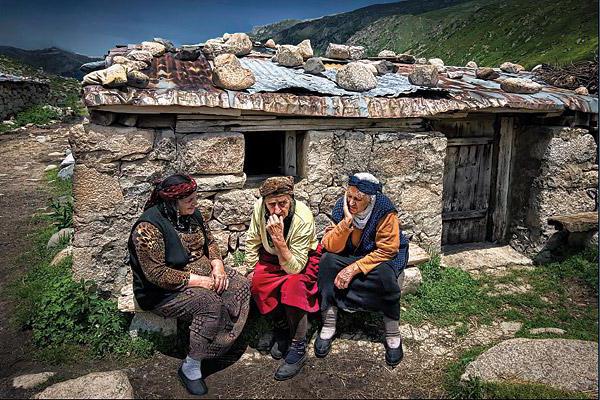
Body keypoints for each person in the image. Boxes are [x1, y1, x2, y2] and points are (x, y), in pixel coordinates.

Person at [127, 174, 250, 396]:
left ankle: (220, 342)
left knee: (240, 284)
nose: (195, 203)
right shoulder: (148, 228)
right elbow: (156, 274)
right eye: (189, 200)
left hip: (203, 272)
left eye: (195, 197)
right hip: (162, 291)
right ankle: (191, 366)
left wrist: (218, 265)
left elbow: (210, 242)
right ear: (172, 202)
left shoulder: (193, 215)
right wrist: (202, 282)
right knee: (209, 303)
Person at [315, 172, 409, 367]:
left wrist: (354, 269)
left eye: (358, 199)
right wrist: (347, 222)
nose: (351, 202)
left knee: (385, 276)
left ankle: (392, 332)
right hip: (350, 253)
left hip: (379, 256)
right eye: (349, 196)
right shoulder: (343, 206)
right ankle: (329, 322)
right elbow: (330, 245)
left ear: (370, 199)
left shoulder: (384, 209)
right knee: (326, 263)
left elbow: (388, 249)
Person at [244, 176, 322, 380]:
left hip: (298, 259)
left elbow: (295, 268)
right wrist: (250, 267)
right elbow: (253, 237)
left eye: (283, 203)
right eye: (272, 204)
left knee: (293, 288)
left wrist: (279, 240)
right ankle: (281, 327)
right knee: (259, 284)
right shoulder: (260, 207)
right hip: (272, 257)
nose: (277, 210)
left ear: (291, 199)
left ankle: (298, 344)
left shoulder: (302, 217)